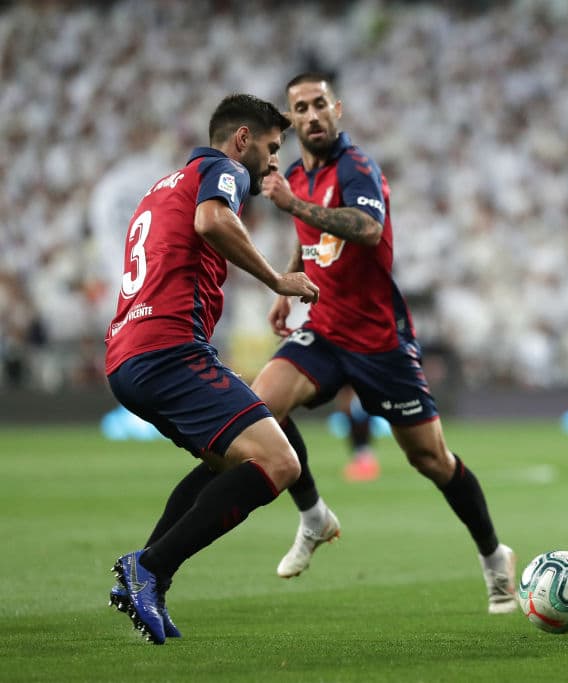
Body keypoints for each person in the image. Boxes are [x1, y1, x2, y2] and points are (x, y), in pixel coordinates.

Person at [250, 72, 516, 613]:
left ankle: (494, 557)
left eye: (320, 104)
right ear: (291, 118)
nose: (312, 115)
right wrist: (287, 282)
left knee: (432, 460)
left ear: (337, 109)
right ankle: (313, 517)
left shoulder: (358, 167)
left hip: (378, 341)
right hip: (325, 329)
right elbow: (314, 237)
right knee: (259, 410)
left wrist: (293, 208)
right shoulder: (296, 174)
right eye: (300, 108)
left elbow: (367, 229)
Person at [105, 94, 319, 644]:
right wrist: (277, 279)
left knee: (231, 462)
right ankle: (148, 568)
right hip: (169, 350)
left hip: (128, 355)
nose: (274, 163)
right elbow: (211, 220)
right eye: (271, 149)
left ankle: (148, 577)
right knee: (280, 463)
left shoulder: (163, 186)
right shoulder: (223, 170)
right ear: (241, 140)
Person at [336, 385, 381, 482]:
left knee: (361, 434)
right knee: (358, 436)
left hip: (360, 404)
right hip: (358, 404)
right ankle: (363, 463)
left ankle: (365, 466)